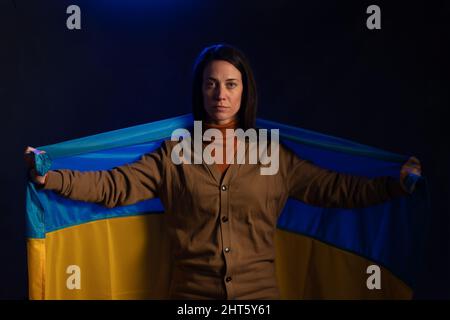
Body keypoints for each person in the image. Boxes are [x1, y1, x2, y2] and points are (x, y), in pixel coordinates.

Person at [25, 44, 422, 300]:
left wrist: (394, 184)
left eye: (231, 84)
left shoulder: (274, 156)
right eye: (211, 84)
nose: (221, 94)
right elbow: (114, 186)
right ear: (200, 92)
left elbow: (337, 189)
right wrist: (52, 177)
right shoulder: (176, 154)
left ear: (244, 91)